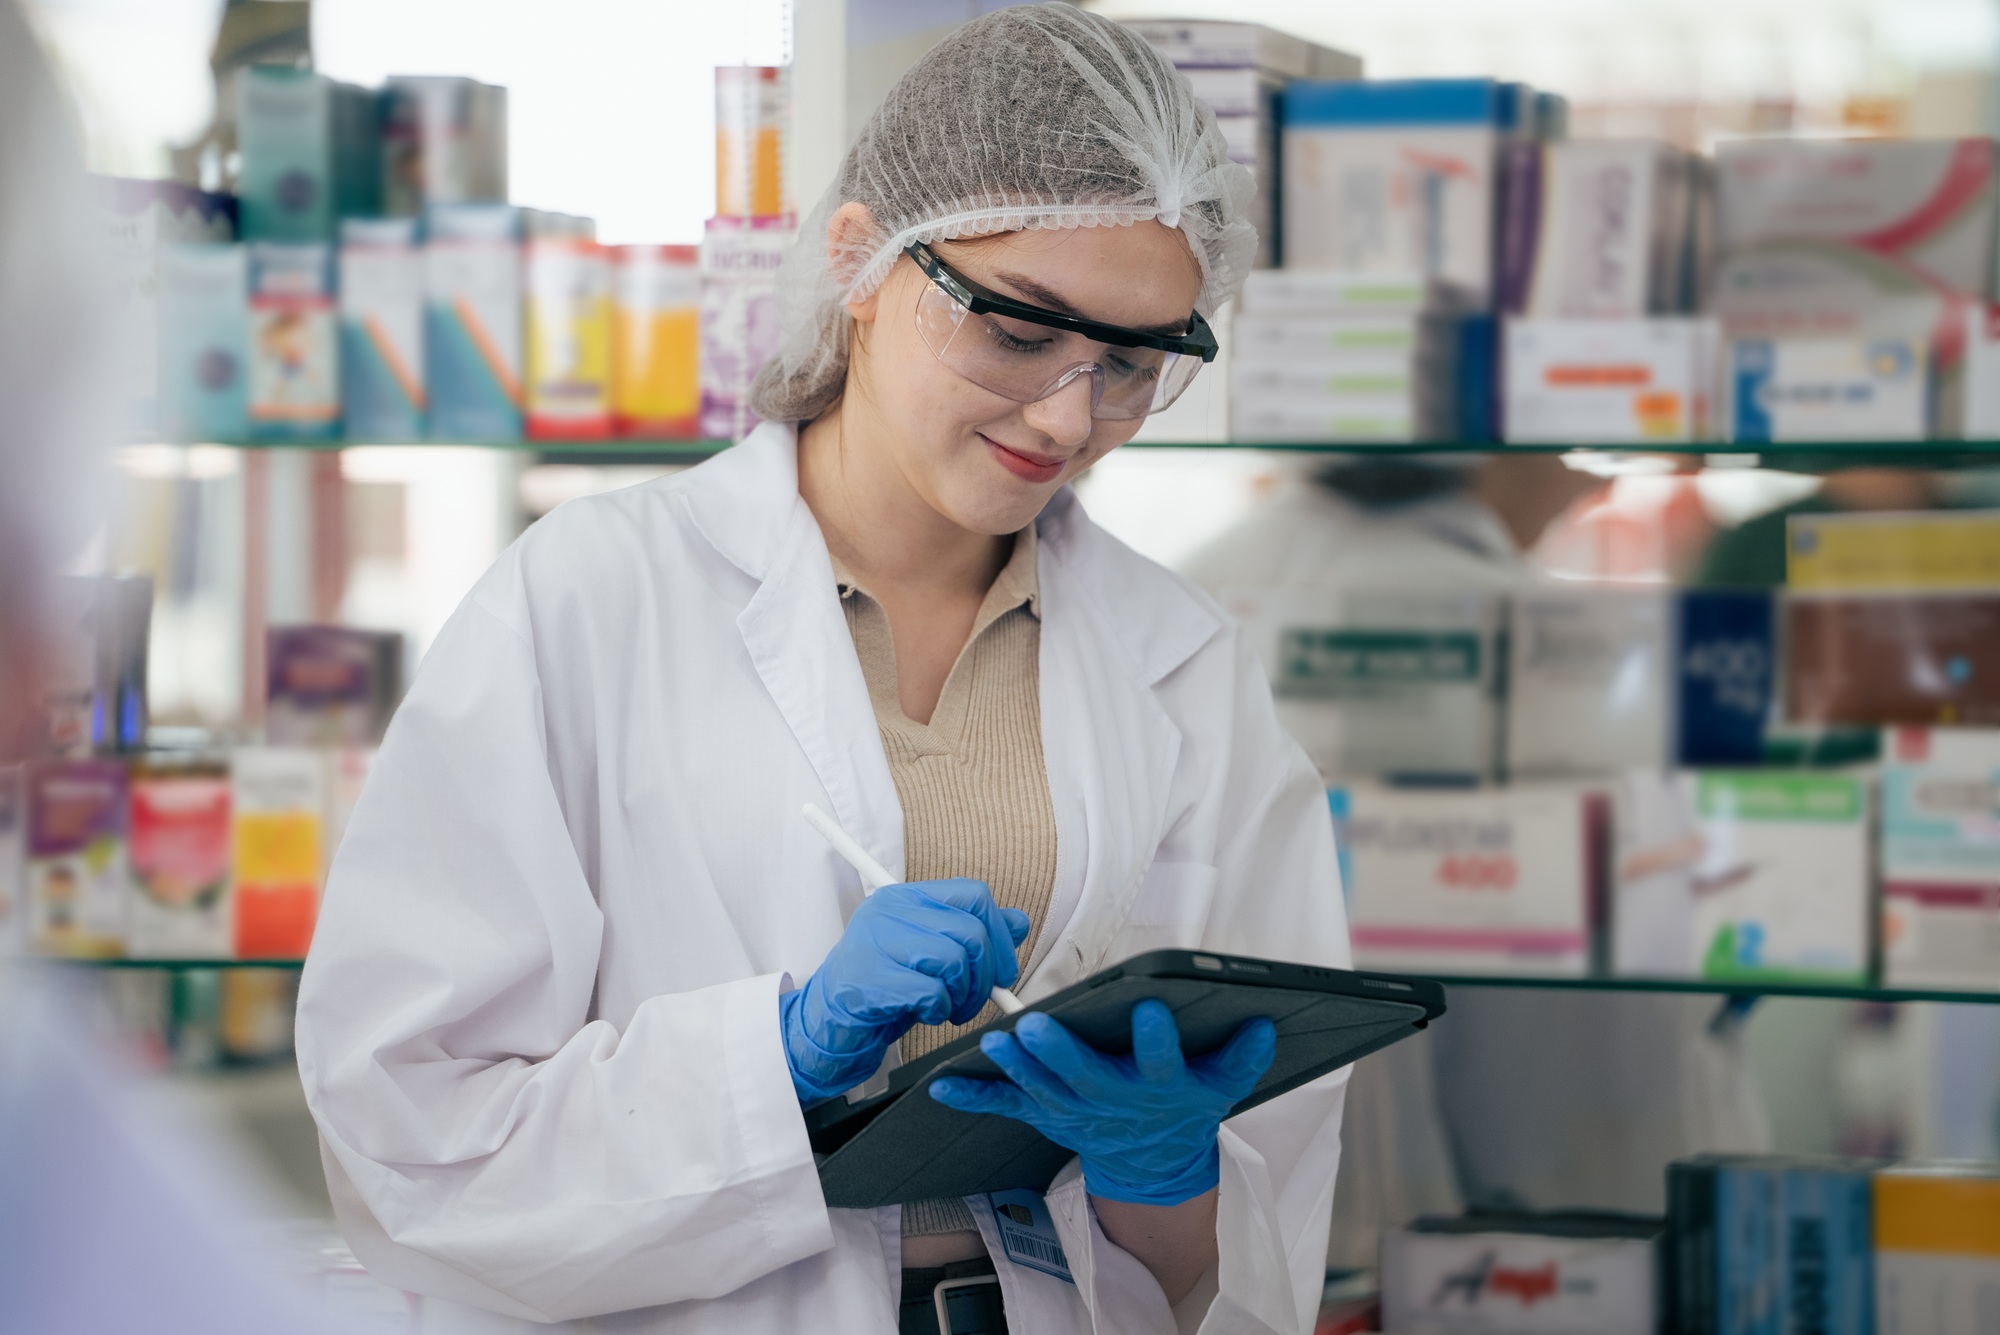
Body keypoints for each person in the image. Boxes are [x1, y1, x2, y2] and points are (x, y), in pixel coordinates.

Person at [296, 9, 1349, 1333]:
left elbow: (1248, 1214)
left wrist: (1168, 1165)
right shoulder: (588, 599)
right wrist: (774, 1059)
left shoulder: (1182, 663)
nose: (1072, 415)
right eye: (1020, 334)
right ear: (862, 260)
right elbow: (412, 1137)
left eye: (1133, 361)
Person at [1183, 454, 1768, 1267]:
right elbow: (1684, 977)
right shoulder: (1569, 649)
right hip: (1553, 1215)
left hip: (1253, 1226)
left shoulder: (1188, 593)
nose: (1605, 470)